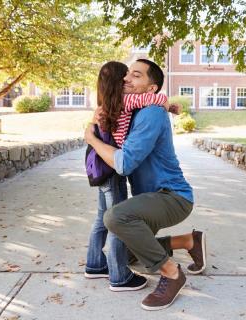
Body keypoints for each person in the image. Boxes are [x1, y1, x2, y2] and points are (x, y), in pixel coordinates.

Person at [85, 59, 207, 311]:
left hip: (172, 196)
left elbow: (124, 163)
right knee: (126, 254)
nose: (126, 79)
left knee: (115, 217)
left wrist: (90, 139)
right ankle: (189, 241)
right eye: (127, 74)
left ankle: (172, 273)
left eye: (136, 76)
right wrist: (95, 121)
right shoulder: (133, 110)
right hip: (151, 199)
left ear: (151, 89)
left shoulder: (150, 113)